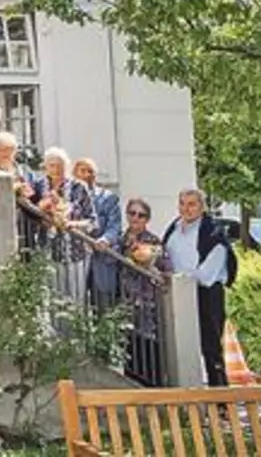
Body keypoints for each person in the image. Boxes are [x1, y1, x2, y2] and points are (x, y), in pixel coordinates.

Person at [163, 187, 238, 386]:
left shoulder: (212, 232)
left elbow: (206, 274)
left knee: (211, 347)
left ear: (202, 207)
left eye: (191, 204)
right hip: (178, 293)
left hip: (206, 294)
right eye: (182, 203)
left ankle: (221, 400)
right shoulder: (174, 228)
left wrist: (181, 277)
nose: (186, 209)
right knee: (182, 346)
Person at [117, 198, 172, 384]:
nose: (135, 218)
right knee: (129, 347)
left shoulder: (153, 241)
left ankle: (151, 386)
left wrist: (149, 263)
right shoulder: (120, 240)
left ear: (147, 219)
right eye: (132, 213)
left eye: (141, 215)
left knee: (148, 345)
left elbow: (167, 269)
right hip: (125, 302)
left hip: (147, 302)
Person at [33, 147, 97, 303]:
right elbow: (31, 216)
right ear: (45, 167)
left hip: (75, 252)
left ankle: (75, 328)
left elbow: (93, 221)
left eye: (60, 165)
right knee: (52, 300)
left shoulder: (78, 187)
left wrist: (72, 224)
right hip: (48, 250)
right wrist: (43, 218)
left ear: (66, 166)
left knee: (76, 299)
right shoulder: (38, 186)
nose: (56, 169)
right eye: (51, 165)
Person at [75, 158, 122, 309]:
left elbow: (115, 226)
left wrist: (105, 240)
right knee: (76, 304)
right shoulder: (67, 197)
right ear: (74, 173)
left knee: (104, 306)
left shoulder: (108, 198)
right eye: (82, 170)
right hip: (76, 258)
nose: (87, 174)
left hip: (101, 258)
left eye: (91, 171)